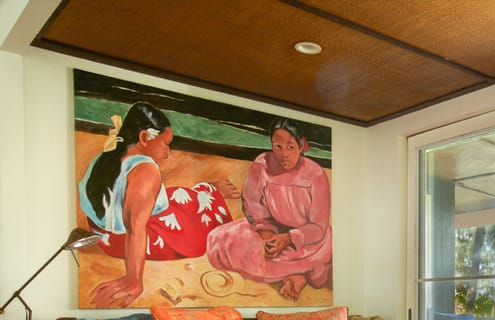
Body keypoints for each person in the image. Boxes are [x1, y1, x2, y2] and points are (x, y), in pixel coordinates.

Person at [78, 102, 239, 307]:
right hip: (123, 241)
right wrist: (133, 279)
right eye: (165, 143)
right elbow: (135, 230)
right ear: (145, 138)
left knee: (175, 196)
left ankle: (207, 189)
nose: (168, 152)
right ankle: (210, 190)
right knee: (196, 221)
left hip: (101, 233)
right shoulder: (145, 171)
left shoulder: (109, 154)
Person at [205, 118, 332, 301]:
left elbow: (318, 226)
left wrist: (288, 238)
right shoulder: (262, 163)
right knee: (220, 242)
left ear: (303, 145)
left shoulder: (315, 174)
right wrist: (268, 236)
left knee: (315, 265)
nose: (284, 154)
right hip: (270, 228)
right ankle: (295, 272)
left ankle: (298, 277)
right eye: (277, 146)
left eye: (290, 147)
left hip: (306, 238)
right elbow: (252, 202)